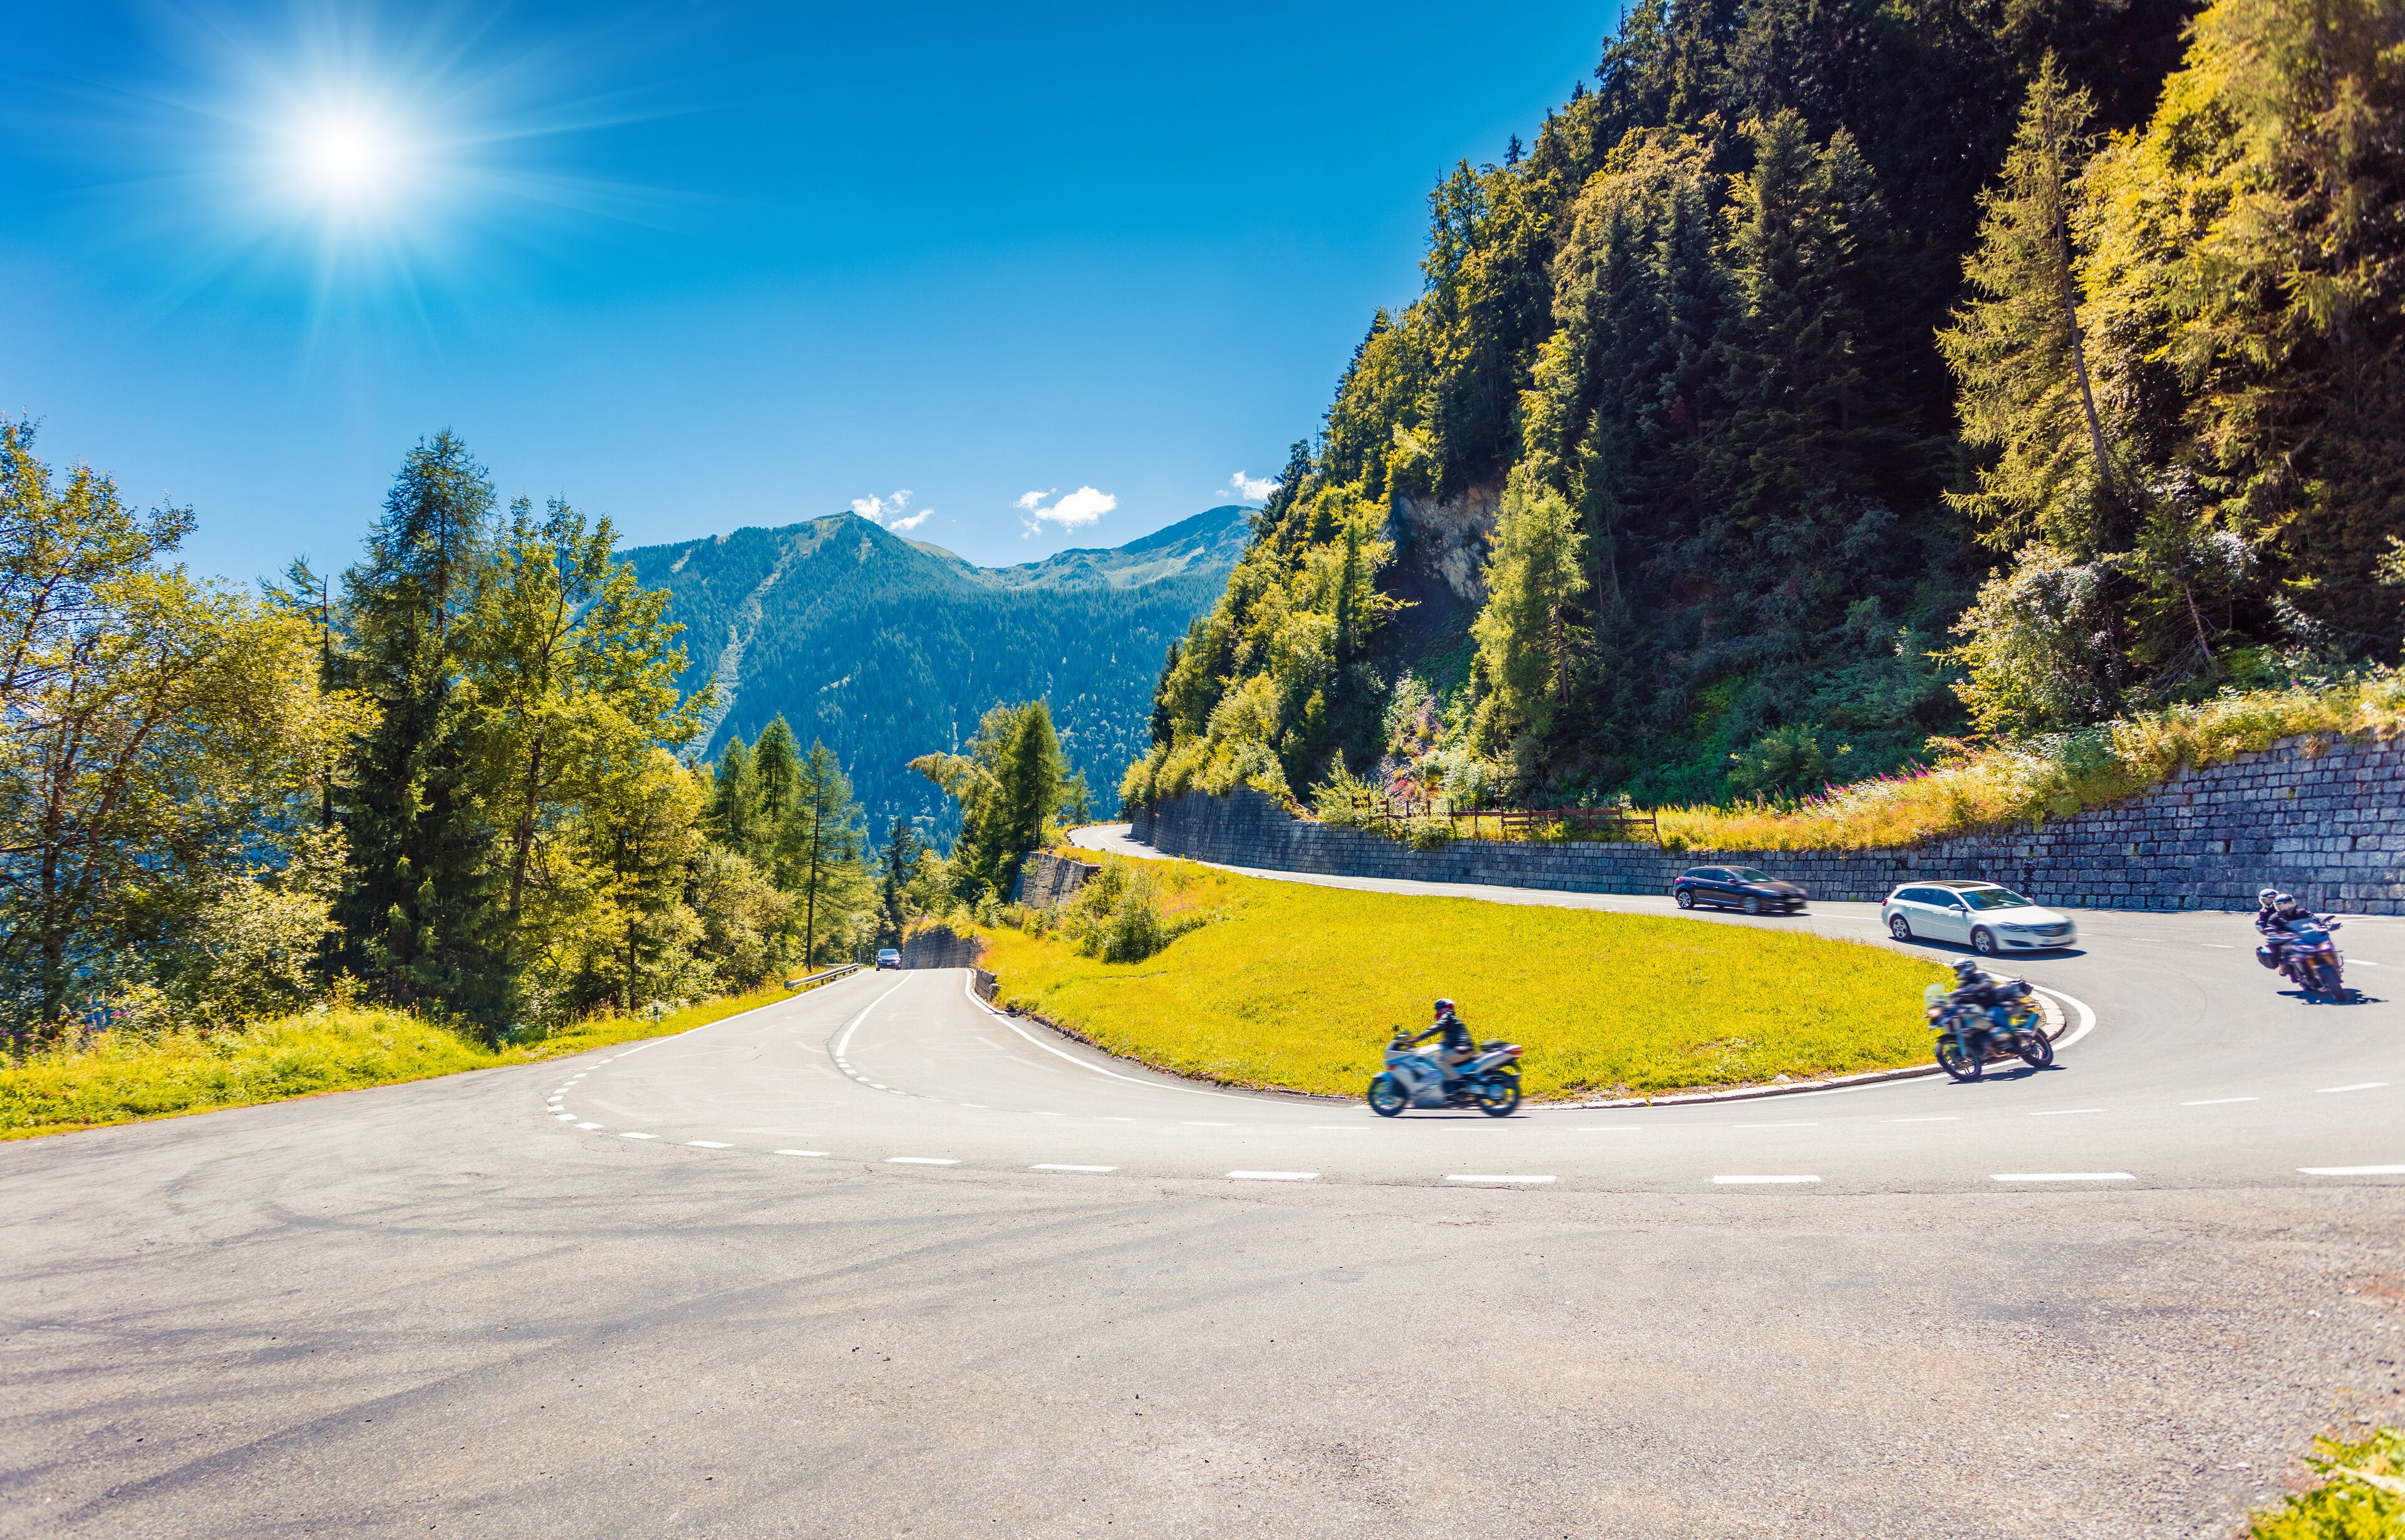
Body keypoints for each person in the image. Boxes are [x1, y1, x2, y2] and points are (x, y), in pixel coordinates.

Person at [1411, 998, 1476, 1088]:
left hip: (1462, 1049)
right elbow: (1444, 1043)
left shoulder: (1448, 1016)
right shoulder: (1452, 1021)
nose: (1437, 1010)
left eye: (1439, 1008)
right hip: (1463, 1049)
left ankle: (1458, 1083)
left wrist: (1417, 1038)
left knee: (1440, 1060)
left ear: (1446, 1008)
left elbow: (1437, 1027)